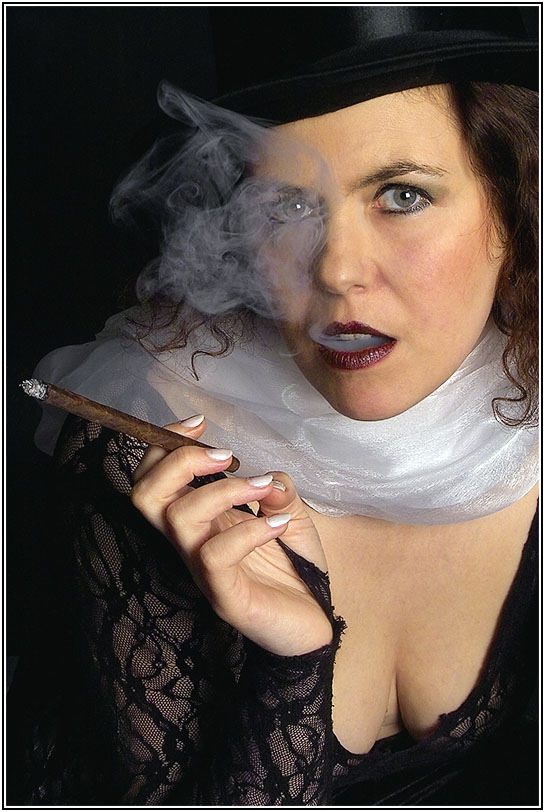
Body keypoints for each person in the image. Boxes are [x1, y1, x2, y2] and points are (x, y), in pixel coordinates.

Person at [8, 6, 539, 806]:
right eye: (286, 207)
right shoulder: (146, 441)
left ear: (513, 206)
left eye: (400, 195)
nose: (336, 271)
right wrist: (290, 663)